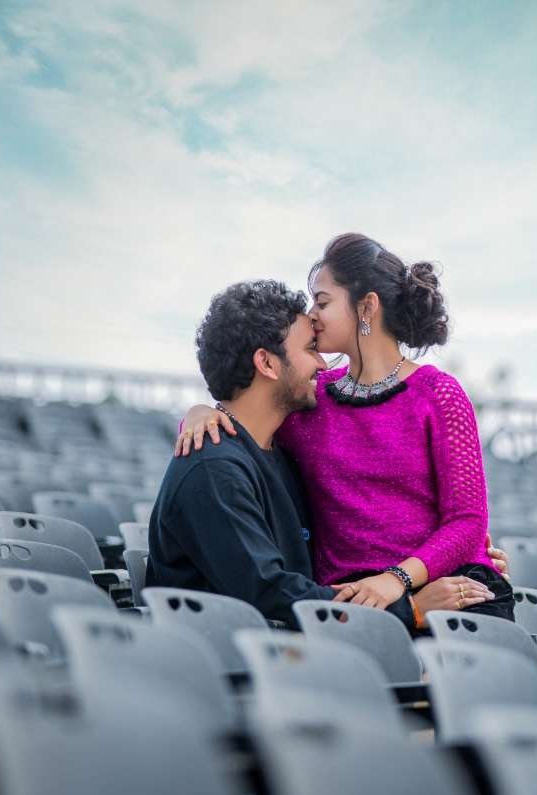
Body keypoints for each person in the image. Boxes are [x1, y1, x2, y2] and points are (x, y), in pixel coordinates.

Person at [178, 233, 514, 621]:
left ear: (367, 306)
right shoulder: (309, 398)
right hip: (348, 601)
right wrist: (199, 413)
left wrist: (398, 579)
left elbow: (468, 521)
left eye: (322, 302)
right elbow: (247, 424)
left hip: (449, 587)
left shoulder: (440, 394)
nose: (311, 315)